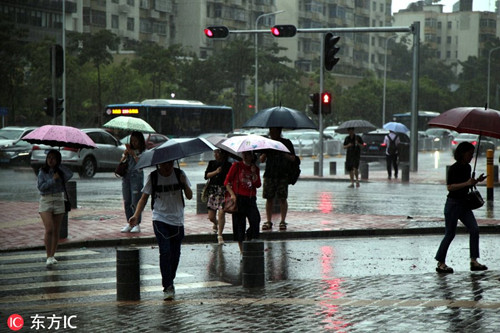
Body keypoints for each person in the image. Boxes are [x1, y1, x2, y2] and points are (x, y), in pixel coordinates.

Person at [128, 160, 192, 300]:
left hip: (177, 220)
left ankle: (170, 279)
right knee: (165, 251)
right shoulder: (153, 177)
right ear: (159, 164)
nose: (167, 167)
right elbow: (144, 198)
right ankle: (167, 285)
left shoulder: (180, 174)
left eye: (170, 164)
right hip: (160, 219)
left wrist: (184, 183)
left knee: (175, 254)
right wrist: (136, 215)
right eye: (164, 164)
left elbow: (189, 196)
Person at [434, 142, 487, 274]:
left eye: (472, 154)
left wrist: (475, 181)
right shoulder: (453, 168)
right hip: (453, 204)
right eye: (469, 154)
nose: (471, 156)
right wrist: (466, 183)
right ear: (462, 153)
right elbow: (450, 187)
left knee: (474, 229)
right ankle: (441, 263)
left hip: (464, 204)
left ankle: (474, 261)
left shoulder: (468, 168)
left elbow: (467, 185)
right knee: (450, 234)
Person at [37, 149, 73, 267]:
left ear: (58, 160)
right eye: (49, 158)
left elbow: (70, 174)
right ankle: (48, 256)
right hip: (46, 200)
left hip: (58, 200)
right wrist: (53, 180)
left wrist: (59, 168)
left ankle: (52, 255)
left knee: (56, 230)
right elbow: (41, 187)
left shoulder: (60, 171)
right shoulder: (42, 171)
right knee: (49, 229)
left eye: (53, 158)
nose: (50, 160)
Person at [224, 151, 261, 254]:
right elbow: (227, 182)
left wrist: (254, 173)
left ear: (252, 156)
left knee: (255, 220)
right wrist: (232, 194)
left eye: (248, 154)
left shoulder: (255, 169)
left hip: (251, 199)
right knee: (239, 225)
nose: (245, 155)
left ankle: (249, 238)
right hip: (238, 199)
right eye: (244, 153)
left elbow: (258, 185)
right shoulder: (237, 166)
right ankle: (242, 252)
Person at [260, 127, 296, 231]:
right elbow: (262, 160)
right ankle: (268, 220)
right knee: (269, 198)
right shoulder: (267, 143)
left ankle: (283, 221)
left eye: (274, 131)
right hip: (269, 174)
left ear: (279, 132)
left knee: (282, 198)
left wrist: (284, 154)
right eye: (270, 131)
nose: (272, 133)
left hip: (282, 174)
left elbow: (293, 158)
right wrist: (265, 153)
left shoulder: (286, 143)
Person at [204, 149, 232, 244]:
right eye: (214, 152)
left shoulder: (228, 165)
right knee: (211, 217)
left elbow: (230, 178)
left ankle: (220, 235)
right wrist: (216, 172)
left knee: (221, 212)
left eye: (217, 152)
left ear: (222, 154)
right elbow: (206, 175)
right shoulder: (212, 163)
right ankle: (216, 224)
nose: (215, 154)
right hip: (213, 191)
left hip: (223, 191)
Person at [120, 131, 146, 233]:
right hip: (126, 177)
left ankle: (137, 223)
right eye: (132, 141)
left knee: (135, 201)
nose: (134, 143)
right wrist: (125, 155)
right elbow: (121, 162)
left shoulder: (143, 152)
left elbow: (141, 164)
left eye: (136, 141)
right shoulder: (128, 150)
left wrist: (133, 154)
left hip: (136, 178)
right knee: (127, 201)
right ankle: (129, 222)